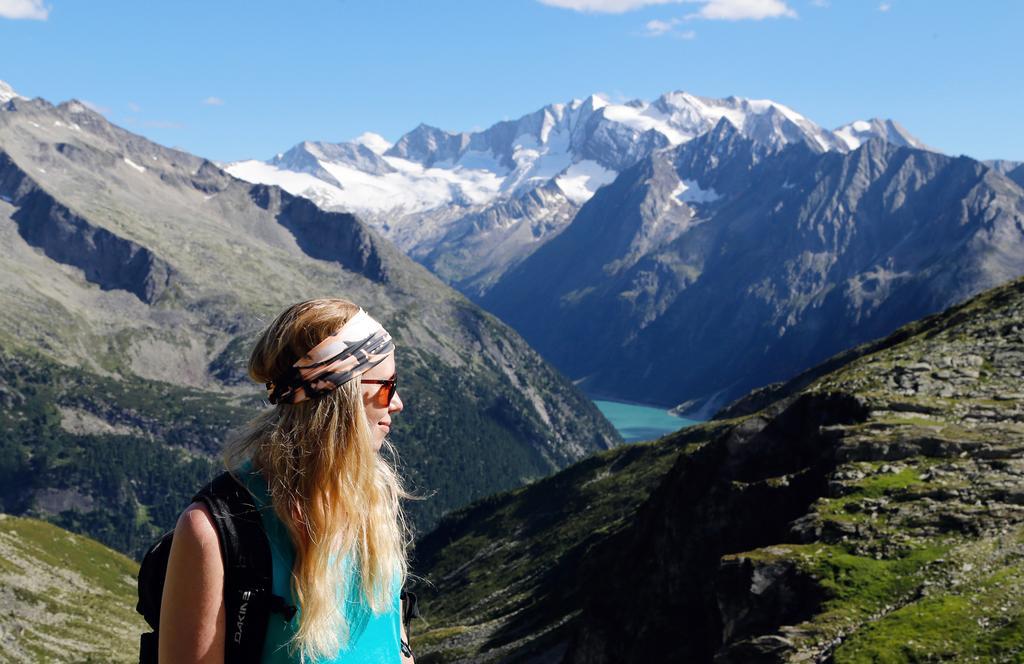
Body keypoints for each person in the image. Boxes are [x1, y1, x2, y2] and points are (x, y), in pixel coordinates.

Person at [158, 298, 414, 663]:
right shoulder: (217, 530)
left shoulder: (375, 495)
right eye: (386, 387)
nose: (398, 403)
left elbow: (392, 636)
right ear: (340, 395)